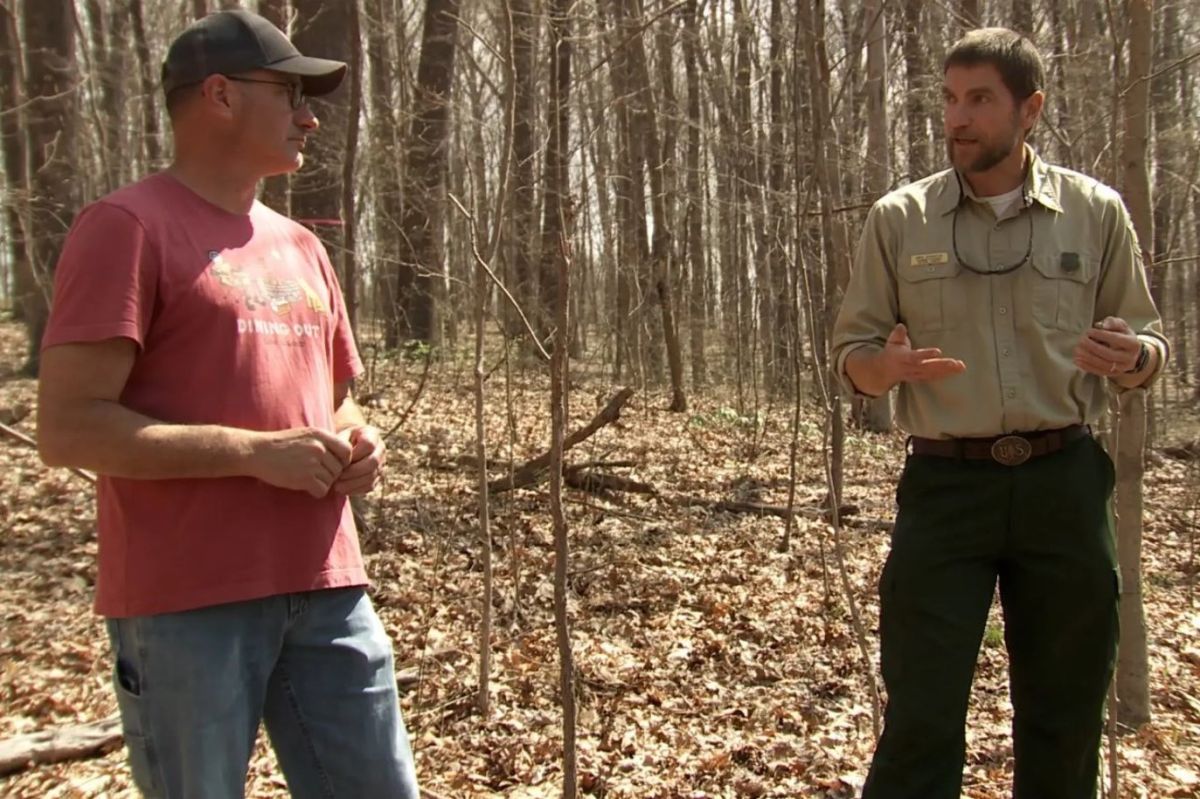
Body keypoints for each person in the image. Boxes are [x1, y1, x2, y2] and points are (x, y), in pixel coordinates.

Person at [36, 10, 419, 798]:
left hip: (327, 587)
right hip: (188, 598)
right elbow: (69, 425)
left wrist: (359, 440)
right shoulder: (126, 228)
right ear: (218, 95)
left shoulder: (302, 245)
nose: (310, 115)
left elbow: (335, 403)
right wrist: (251, 453)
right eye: (290, 93)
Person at [832, 27, 1167, 799]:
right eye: (950, 98)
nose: (958, 117)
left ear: (1030, 109)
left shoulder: (1095, 212)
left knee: (1065, 714)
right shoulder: (899, 218)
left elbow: (1148, 341)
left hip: (1065, 483)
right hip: (946, 490)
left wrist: (1134, 357)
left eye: (980, 99)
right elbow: (851, 353)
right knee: (921, 712)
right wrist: (885, 367)